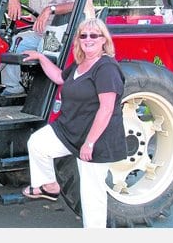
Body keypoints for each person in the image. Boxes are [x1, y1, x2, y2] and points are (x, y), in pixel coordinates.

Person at [20, 17, 127, 228]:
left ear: (103, 40)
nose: (88, 39)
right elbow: (60, 77)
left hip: (96, 138)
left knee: (91, 194)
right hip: (70, 131)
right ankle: (49, 185)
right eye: (83, 35)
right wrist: (41, 57)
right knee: (38, 143)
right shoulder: (81, 64)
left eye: (94, 35)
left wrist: (90, 143)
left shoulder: (107, 68)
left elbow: (106, 110)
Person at [0, 0, 78, 97]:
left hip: (59, 34)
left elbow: (76, 4)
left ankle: (43, 96)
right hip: (38, 31)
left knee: (45, 48)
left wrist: (51, 9)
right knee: (14, 41)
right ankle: (13, 87)